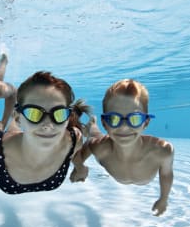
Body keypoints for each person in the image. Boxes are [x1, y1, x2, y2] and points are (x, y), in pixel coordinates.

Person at [0, 71, 91, 194]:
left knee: (18, 129)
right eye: (34, 113)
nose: (48, 125)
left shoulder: (73, 140)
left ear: (67, 117)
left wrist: (80, 167)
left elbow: (73, 154)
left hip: (21, 127)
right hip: (12, 135)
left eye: (59, 113)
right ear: (18, 117)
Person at [70, 79, 174, 216]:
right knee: (94, 136)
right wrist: (80, 168)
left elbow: (166, 174)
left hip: (106, 141)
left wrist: (164, 198)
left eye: (135, 119)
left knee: (99, 137)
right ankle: (92, 125)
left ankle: (94, 124)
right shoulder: (101, 149)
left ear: (146, 122)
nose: (124, 127)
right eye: (114, 119)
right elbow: (79, 152)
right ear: (105, 123)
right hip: (103, 142)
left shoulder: (162, 151)